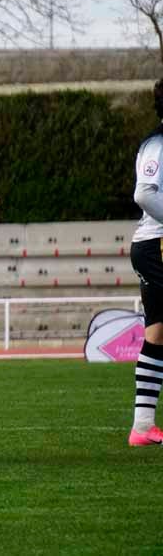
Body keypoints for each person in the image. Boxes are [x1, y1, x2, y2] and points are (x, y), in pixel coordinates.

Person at [128, 77, 163, 447]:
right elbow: (144, 192)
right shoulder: (158, 144)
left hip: (152, 244)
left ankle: (142, 426)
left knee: (158, 330)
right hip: (157, 245)